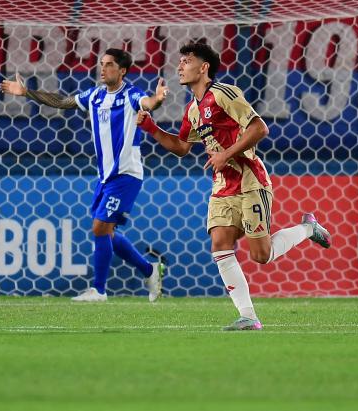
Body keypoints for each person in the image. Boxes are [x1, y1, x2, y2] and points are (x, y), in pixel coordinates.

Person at [136, 41, 331, 330]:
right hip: (222, 186)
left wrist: (225, 154)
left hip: (251, 180)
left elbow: (259, 128)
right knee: (219, 244)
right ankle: (249, 317)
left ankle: (307, 228)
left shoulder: (223, 93)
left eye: (186, 61)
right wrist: (151, 127)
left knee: (261, 256)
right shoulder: (193, 108)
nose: (180, 66)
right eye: (179, 61)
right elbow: (180, 146)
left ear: (204, 68)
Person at [0, 48, 167, 303]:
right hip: (105, 177)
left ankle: (99, 291)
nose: (103, 68)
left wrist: (158, 98)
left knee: (100, 227)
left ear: (122, 71)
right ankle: (149, 269)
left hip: (126, 173)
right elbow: (62, 101)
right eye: (102, 64)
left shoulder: (131, 94)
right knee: (106, 231)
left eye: (109, 64)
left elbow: (149, 103)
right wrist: (26, 93)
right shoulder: (96, 95)